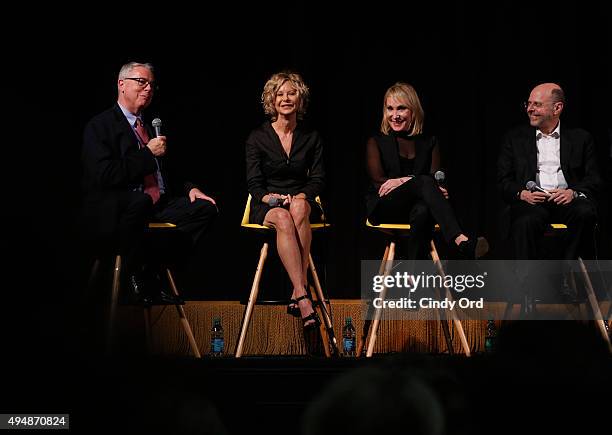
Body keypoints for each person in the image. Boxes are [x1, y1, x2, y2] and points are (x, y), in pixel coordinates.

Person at [81, 61, 217, 305]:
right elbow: (104, 175)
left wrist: (190, 189)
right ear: (121, 84)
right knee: (141, 202)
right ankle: (140, 274)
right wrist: (147, 154)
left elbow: (170, 170)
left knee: (204, 208)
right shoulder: (100, 126)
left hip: (156, 204)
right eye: (141, 82)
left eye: (152, 85)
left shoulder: (152, 125)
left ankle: (151, 266)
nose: (148, 88)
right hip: (121, 207)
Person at [497, 83, 601, 307]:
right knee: (525, 221)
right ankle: (528, 289)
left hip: (566, 199)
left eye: (537, 104)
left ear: (557, 108)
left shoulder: (581, 138)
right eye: (529, 104)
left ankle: (563, 275)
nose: (530, 109)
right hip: (532, 201)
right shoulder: (514, 138)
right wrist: (521, 193)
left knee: (585, 212)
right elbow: (502, 181)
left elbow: (595, 180)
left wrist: (573, 192)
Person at [365, 82, 488, 260]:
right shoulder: (376, 142)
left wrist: (429, 188)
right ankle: (460, 239)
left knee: (422, 210)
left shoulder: (429, 142)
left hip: (420, 206)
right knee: (424, 182)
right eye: (390, 109)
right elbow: (379, 182)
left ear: (413, 110)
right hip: (386, 205)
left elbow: (436, 178)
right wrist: (415, 182)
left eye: (401, 108)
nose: (395, 115)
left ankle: (413, 277)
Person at [245, 71, 324, 329]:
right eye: (280, 94)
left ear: (300, 99)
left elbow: (318, 179)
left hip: (301, 199)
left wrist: (301, 196)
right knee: (282, 216)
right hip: (267, 204)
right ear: (272, 100)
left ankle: (297, 292)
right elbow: (254, 184)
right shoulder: (258, 137)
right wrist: (271, 198)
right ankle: (302, 295)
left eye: (291, 93)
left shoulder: (311, 137)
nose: (286, 98)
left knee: (299, 207)